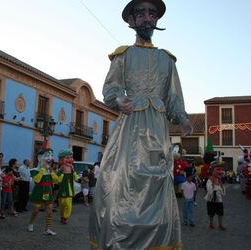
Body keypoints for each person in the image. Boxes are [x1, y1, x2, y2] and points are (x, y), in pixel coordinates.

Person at [88, 0, 193, 248]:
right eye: (141, 13)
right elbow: (110, 89)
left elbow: (174, 97)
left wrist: (183, 118)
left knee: (157, 179)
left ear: (156, 20)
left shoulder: (167, 60)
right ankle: (119, 240)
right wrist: (119, 99)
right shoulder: (122, 55)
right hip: (130, 128)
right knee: (124, 178)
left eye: (152, 13)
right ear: (131, 21)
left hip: (157, 131)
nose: (147, 17)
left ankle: (157, 239)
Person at [27, 146, 58, 236]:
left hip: (48, 192)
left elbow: (56, 181)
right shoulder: (34, 170)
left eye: (51, 155)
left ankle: (47, 229)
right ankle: (31, 223)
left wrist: (51, 172)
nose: (50, 158)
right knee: (36, 210)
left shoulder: (50, 171)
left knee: (49, 210)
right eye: (47, 155)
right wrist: (43, 170)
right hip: (39, 191)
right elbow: (36, 180)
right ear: (40, 157)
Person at [56, 149, 78, 224]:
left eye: (71, 158)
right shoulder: (60, 169)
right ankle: (62, 216)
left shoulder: (72, 169)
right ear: (62, 159)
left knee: (68, 205)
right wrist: (62, 172)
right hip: (62, 190)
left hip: (70, 191)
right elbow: (58, 180)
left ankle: (65, 217)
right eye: (67, 158)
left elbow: (76, 178)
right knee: (62, 205)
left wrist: (74, 171)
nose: (70, 159)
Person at [205, 160, 226, 230]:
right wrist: (213, 185)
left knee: (221, 213)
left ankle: (220, 224)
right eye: (218, 169)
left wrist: (222, 186)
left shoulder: (219, 180)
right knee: (211, 213)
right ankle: (211, 223)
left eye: (221, 169)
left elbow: (223, 193)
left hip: (219, 200)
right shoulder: (209, 180)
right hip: (211, 200)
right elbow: (209, 191)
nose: (221, 171)